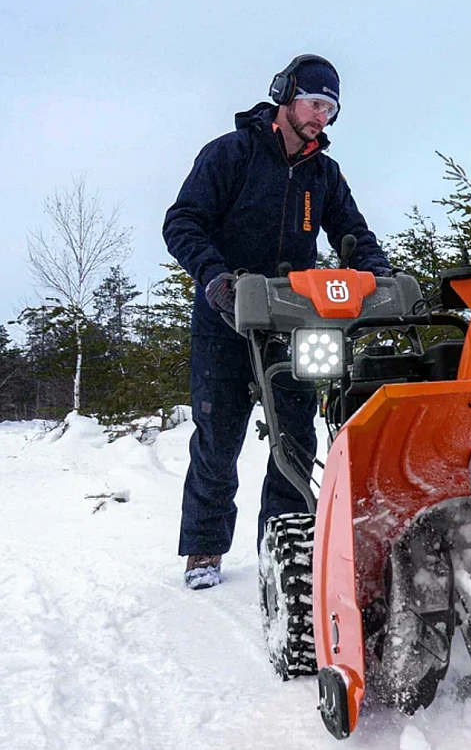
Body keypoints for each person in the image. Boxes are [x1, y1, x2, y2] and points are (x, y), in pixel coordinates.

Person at [163, 54, 392, 590]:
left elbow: (352, 231)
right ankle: (204, 550)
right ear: (286, 95)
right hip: (226, 317)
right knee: (218, 439)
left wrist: (377, 274)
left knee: (296, 438)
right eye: (315, 104)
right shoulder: (231, 153)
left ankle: (283, 545)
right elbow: (182, 222)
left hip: (294, 322)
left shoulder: (324, 174)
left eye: (330, 109)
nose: (321, 118)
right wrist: (216, 277)